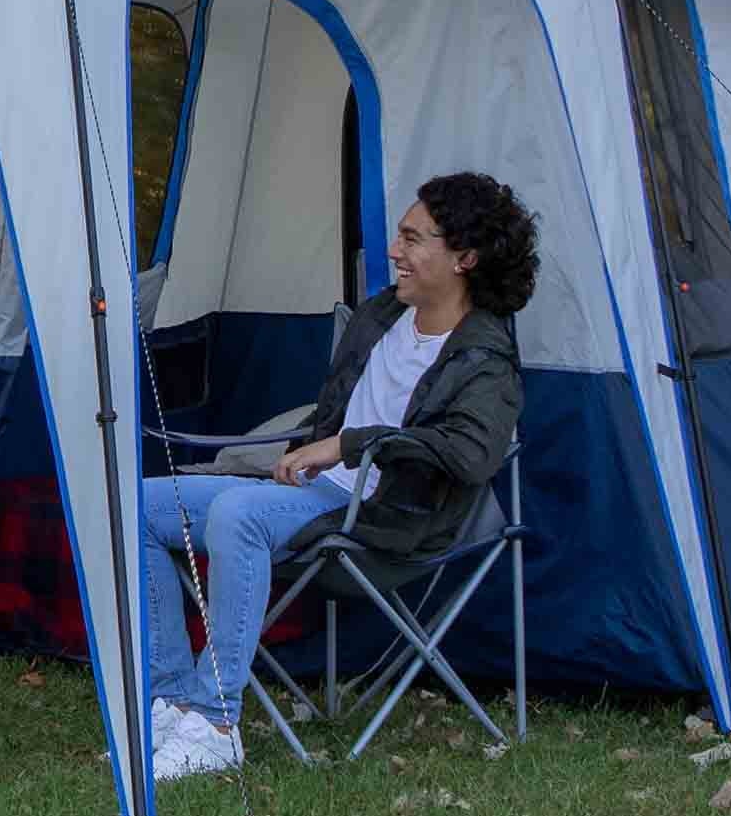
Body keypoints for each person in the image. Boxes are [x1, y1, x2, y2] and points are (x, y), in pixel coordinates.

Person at [139, 171, 536, 783]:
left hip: (386, 523)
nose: (395, 251)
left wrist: (347, 445)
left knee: (238, 516)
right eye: (400, 236)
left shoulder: (484, 358)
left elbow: (470, 455)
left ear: (465, 258)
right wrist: (316, 446)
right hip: (320, 497)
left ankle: (215, 722)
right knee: (136, 505)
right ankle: (171, 704)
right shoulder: (381, 316)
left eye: (413, 239)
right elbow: (334, 411)